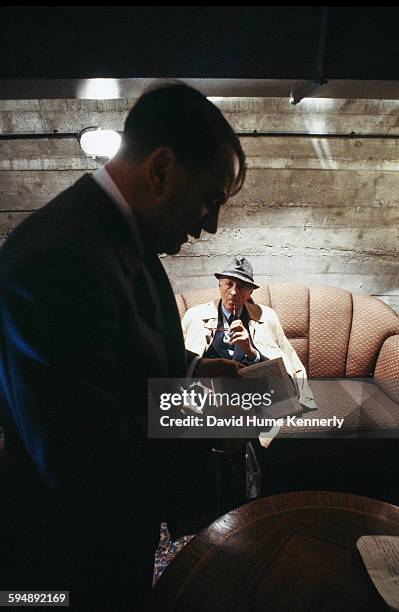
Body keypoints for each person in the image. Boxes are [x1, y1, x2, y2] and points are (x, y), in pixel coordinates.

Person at [0, 82, 246, 610]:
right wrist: (202, 415)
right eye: (210, 199)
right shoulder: (59, 257)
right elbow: (80, 456)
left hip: (109, 541)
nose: (211, 224)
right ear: (161, 169)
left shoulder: (115, 234)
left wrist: (197, 369)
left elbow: (119, 344)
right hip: (63, 563)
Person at [181, 255, 316, 518]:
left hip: (253, 397)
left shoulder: (266, 318)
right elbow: (180, 366)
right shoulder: (196, 316)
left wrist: (252, 352)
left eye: (241, 287)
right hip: (208, 396)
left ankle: (242, 510)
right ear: (219, 284)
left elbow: (286, 371)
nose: (233, 292)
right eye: (228, 284)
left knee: (244, 428)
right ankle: (215, 510)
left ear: (250, 292)